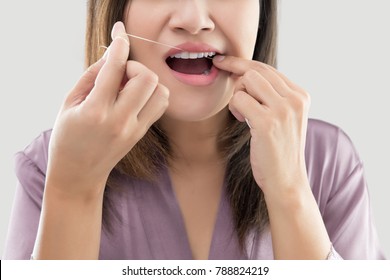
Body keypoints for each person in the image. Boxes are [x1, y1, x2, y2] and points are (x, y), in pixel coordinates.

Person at [2, 0, 386, 260]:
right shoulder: (48, 166)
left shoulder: (329, 161)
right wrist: (73, 191)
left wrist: (290, 193)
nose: (194, 17)